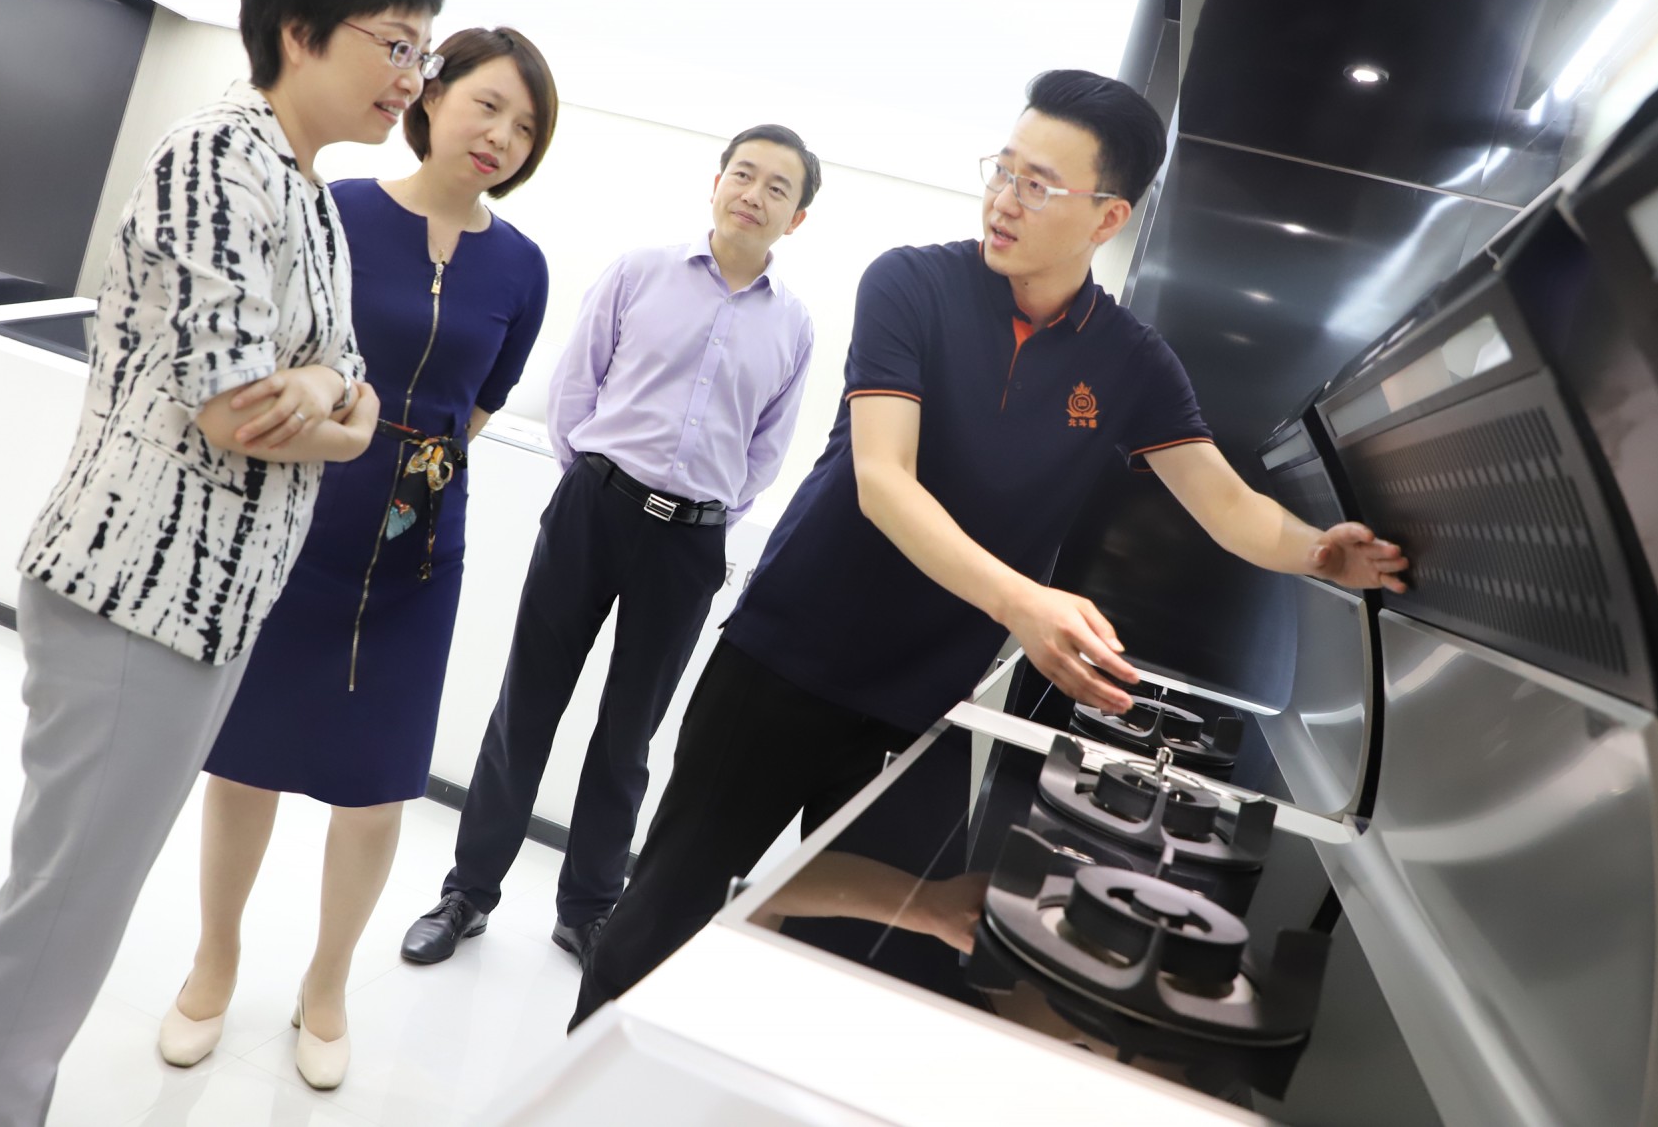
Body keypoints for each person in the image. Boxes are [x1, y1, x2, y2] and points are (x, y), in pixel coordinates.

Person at [571, 70, 1410, 1027]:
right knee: (665, 914)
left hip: (920, 704)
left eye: (1038, 184)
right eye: (1003, 171)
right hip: (785, 663)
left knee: (858, 968)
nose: (1005, 199)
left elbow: (1225, 502)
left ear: (1108, 217)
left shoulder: (1129, 360)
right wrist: (1023, 603)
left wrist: (1318, 550)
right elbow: (885, 480)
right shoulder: (911, 283)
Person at [0, 0, 443, 1125]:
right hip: (135, 592)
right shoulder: (215, 155)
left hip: (207, 606)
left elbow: (357, 391)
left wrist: (322, 389)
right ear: (299, 30)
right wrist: (325, 404)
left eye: (422, 50)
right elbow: (239, 411)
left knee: (78, 912)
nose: (411, 75)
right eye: (395, 42)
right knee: (59, 919)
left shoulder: (308, 190)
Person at [164, 27, 559, 1090]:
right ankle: (214, 961)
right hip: (303, 514)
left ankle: (328, 982)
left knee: (379, 788)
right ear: (430, 94)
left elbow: (482, 403)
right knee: (245, 758)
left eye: (525, 127)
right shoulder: (335, 207)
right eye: (487, 104)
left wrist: (415, 471)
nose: (501, 135)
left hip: (422, 549)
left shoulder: (522, 266)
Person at [400, 125, 821, 971]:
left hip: (690, 543)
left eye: (777, 186)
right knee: (527, 706)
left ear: (797, 217)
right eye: (743, 173)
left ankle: (590, 911)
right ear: (715, 183)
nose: (754, 193)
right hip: (595, 508)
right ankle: (467, 893)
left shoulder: (795, 326)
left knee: (630, 736)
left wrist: (697, 513)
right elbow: (574, 389)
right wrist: (595, 483)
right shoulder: (640, 271)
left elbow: (765, 452)